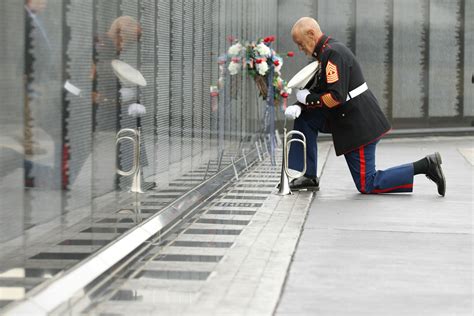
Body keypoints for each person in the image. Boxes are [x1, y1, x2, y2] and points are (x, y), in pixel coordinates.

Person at [284, 17, 446, 196]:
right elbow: (323, 89)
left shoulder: (332, 54)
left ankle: (426, 165)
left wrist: (309, 99)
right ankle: (308, 175)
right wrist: (301, 104)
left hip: (357, 123)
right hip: (347, 116)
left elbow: (336, 97)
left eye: (300, 43)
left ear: (311, 34)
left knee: (368, 184)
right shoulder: (327, 52)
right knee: (306, 119)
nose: (300, 48)